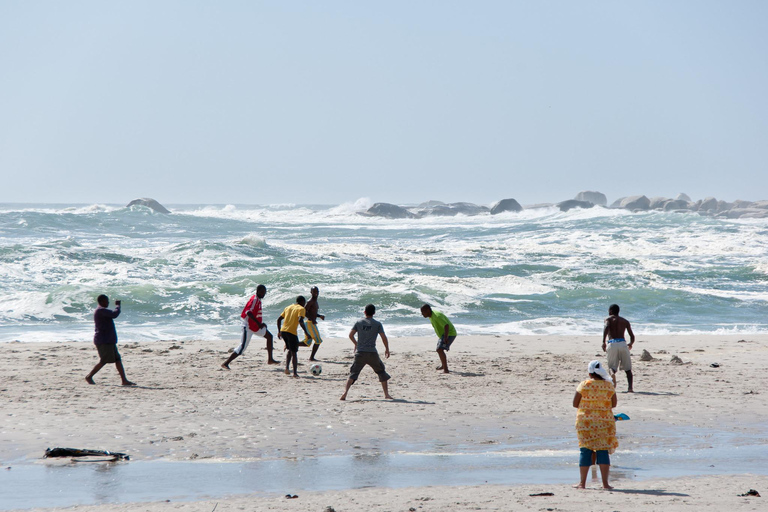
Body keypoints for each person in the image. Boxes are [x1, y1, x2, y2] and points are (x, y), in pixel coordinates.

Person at [573, 360, 618, 489]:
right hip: (604, 422)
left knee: (585, 450)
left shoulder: (584, 385)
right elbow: (613, 404)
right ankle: (605, 484)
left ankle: (582, 483)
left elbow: (575, 404)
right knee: (602, 451)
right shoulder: (609, 386)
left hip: (585, 422)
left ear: (590, 372)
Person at [340, 304, 393, 400]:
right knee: (381, 372)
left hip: (360, 353)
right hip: (372, 353)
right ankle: (386, 394)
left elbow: (350, 335)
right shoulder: (377, 324)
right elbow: (383, 337)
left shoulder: (359, 322)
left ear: (364, 312)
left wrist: (356, 344)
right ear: (374, 313)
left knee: (353, 373)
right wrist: (387, 349)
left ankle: (345, 393)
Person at [222, 285, 278, 370]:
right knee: (242, 348)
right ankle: (226, 363)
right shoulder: (254, 299)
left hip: (255, 326)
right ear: (258, 291)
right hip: (248, 326)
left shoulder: (258, 300)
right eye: (262, 292)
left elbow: (255, 314)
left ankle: (270, 359)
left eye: (265, 292)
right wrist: (259, 324)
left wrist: (260, 324)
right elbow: (248, 312)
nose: (264, 294)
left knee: (269, 336)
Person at [85, 295, 135, 386]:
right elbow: (114, 314)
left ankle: (124, 380)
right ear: (102, 301)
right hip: (103, 341)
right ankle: (89, 376)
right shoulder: (101, 311)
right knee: (104, 360)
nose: (108, 303)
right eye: (106, 301)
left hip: (108, 340)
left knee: (117, 359)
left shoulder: (101, 311)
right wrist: (118, 306)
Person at [602, 304, 636, 392]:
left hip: (612, 343)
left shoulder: (608, 319)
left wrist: (603, 342)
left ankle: (613, 374)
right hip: (622, 343)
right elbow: (632, 336)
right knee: (628, 369)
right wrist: (630, 344)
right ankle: (630, 388)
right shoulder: (625, 321)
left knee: (611, 367)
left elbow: (606, 328)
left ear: (610, 311)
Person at [277, 296, 310, 378]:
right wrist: (307, 333)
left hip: (283, 331)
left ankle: (287, 368)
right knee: (294, 352)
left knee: (290, 349)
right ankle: (295, 373)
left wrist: (279, 331)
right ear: (302, 302)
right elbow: (300, 321)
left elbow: (279, 319)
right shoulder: (301, 309)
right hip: (291, 332)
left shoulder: (288, 307)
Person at [420, 304, 457, 373]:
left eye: (423, 312)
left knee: (439, 349)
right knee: (439, 349)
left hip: (449, 333)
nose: (422, 314)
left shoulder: (437, 316)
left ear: (428, 310)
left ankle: (446, 369)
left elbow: (446, 325)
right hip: (443, 334)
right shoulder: (431, 315)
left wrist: (446, 337)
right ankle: (443, 365)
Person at [301, 286, 326, 361]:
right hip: (310, 323)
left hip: (310, 323)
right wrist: (312, 319)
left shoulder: (315, 301)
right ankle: (311, 358)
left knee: (307, 342)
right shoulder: (310, 301)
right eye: (314, 291)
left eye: (317, 291)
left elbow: (313, 312)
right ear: (311, 292)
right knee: (318, 341)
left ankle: (291, 345)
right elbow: (304, 312)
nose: (316, 293)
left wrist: (319, 316)